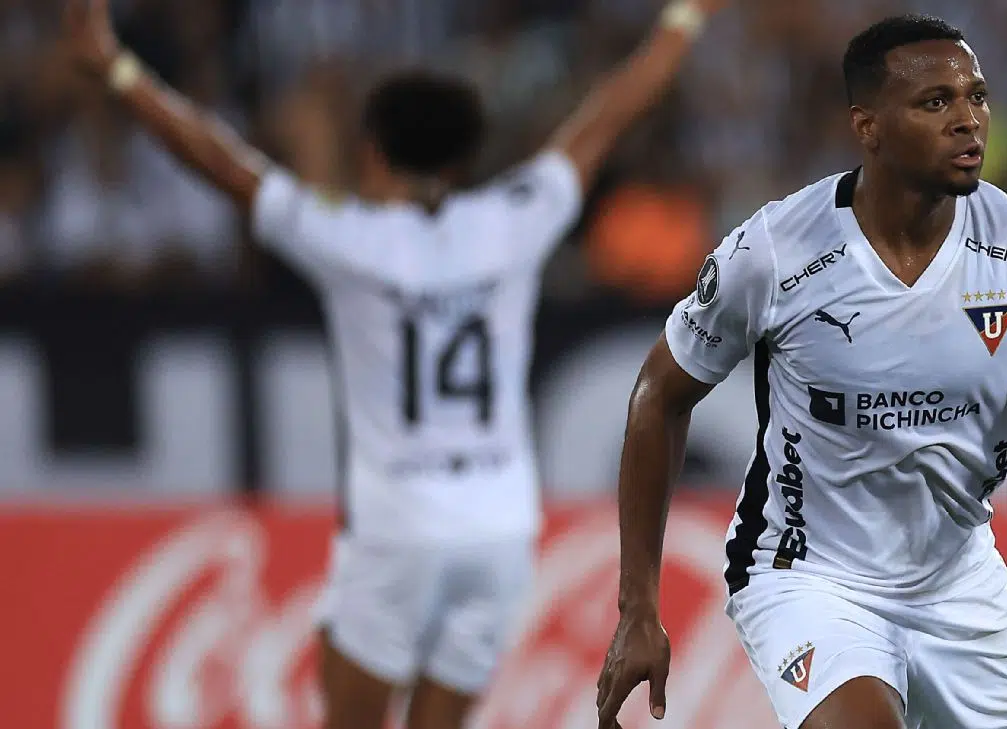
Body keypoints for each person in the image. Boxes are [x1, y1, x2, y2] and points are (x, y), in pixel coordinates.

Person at [62, 0, 728, 727]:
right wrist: (683, 19)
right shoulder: (515, 219)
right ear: (464, 160)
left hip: (398, 528)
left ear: (373, 154)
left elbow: (225, 164)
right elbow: (608, 114)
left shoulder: (348, 237)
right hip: (499, 526)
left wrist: (119, 71)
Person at [596, 14, 1007, 729]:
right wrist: (638, 605)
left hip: (959, 579)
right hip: (810, 575)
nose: (968, 120)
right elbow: (660, 394)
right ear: (867, 126)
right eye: (935, 102)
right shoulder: (776, 251)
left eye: (976, 96)